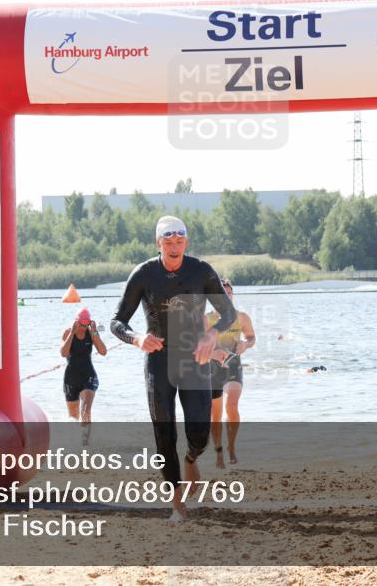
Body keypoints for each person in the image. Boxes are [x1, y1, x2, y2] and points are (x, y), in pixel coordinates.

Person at [111, 215, 237, 522]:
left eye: (179, 241)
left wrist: (211, 334)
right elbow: (116, 322)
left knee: (199, 433)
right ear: (159, 243)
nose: (174, 246)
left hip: (194, 359)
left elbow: (229, 312)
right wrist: (136, 338)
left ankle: (191, 457)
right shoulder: (144, 274)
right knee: (163, 429)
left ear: (186, 243)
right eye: (168, 241)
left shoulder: (201, 271)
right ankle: (176, 500)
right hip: (158, 360)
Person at [205, 279, 255, 468]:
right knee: (214, 414)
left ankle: (231, 446)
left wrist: (245, 344)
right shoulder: (206, 319)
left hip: (234, 365)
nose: (226, 296)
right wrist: (213, 353)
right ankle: (218, 452)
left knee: (232, 404)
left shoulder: (241, 317)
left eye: (229, 293)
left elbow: (251, 337)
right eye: (221, 294)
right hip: (211, 369)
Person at [60, 307, 107, 444]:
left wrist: (94, 333)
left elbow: (103, 351)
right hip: (71, 378)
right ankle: (74, 443)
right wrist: (72, 333)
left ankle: (85, 445)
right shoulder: (68, 332)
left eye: (85, 324)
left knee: (86, 410)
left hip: (88, 376)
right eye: (81, 324)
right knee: (73, 417)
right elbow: (63, 353)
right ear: (76, 322)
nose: (83, 327)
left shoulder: (91, 332)